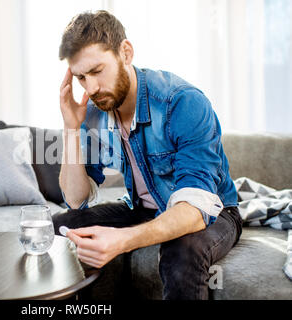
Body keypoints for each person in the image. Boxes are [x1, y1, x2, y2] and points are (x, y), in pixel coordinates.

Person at [52, 10, 243, 300]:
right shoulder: (94, 110)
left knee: (183, 250)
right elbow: (76, 199)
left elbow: (195, 207)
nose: (90, 89)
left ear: (125, 53)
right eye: (80, 77)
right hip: (143, 208)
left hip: (214, 212)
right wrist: (71, 127)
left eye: (96, 71)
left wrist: (121, 240)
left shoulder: (181, 102)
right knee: (61, 227)